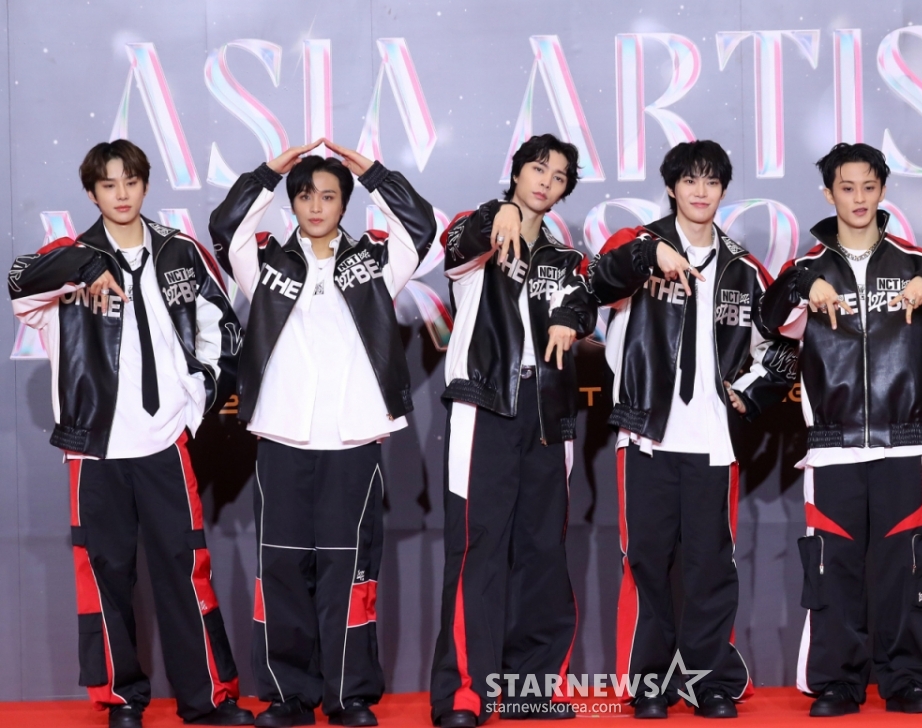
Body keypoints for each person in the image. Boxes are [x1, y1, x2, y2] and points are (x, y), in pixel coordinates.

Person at [7, 140, 250, 728]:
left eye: (131, 182)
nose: (121, 194)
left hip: (166, 441)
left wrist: (196, 399)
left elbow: (223, 329)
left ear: (145, 184)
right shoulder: (68, 259)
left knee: (186, 571)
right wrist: (86, 267)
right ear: (91, 193)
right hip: (95, 448)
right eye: (108, 184)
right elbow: (19, 283)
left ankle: (207, 698)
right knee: (105, 575)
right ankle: (122, 700)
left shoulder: (179, 251)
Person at [209, 139, 437, 727]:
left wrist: (375, 173)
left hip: (353, 440)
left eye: (329, 196)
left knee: (349, 571)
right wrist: (268, 172)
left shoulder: (374, 263)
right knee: (282, 569)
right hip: (282, 438)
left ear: (344, 203)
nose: (316, 206)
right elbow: (226, 227)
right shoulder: (264, 262)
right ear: (292, 202)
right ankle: (288, 696)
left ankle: (348, 694)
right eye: (306, 195)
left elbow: (420, 228)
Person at [758, 142, 922, 717]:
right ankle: (836, 682)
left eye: (869, 187)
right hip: (832, 448)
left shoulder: (917, 262)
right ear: (828, 193)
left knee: (909, 566)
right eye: (846, 187)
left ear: (883, 190)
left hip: (905, 443)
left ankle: (909, 680)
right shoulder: (806, 267)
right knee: (831, 569)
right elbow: (769, 319)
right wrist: (802, 287)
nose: (858, 198)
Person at [588, 140, 797, 720]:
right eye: (689, 180)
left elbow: (783, 346)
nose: (700, 191)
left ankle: (709, 683)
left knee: (710, 566)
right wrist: (647, 256)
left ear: (723, 190)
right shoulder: (637, 245)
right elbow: (596, 284)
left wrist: (750, 392)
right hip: (646, 435)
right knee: (646, 562)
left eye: (711, 181)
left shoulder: (743, 268)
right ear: (671, 187)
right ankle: (649, 684)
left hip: (713, 440)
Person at [428, 133, 596, 728]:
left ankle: (530, 689)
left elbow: (584, 301)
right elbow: (456, 246)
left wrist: (569, 320)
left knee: (542, 550)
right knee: (478, 546)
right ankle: (464, 694)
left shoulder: (565, 258)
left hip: (548, 412)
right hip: (486, 403)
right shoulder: (476, 231)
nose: (546, 181)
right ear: (517, 172)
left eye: (559, 176)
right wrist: (494, 216)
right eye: (538, 169)